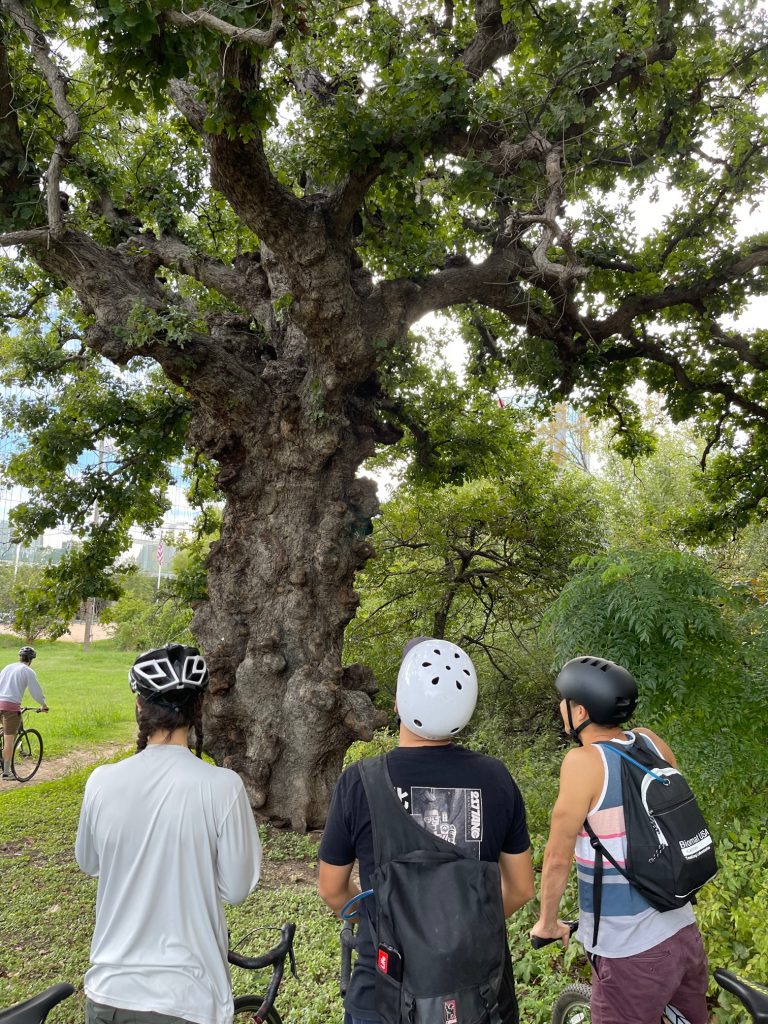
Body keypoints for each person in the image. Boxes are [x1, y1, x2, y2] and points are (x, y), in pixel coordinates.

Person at [318, 638, 534, 1024]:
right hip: (478, 996)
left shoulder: (359, 782)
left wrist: (379, 918)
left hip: (382, 994)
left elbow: (333, 890)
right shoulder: (496, 779)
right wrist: (459, 928)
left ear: (399, 703)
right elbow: (520, 888)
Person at [75, 643, 262, 1024]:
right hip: (188, 1000)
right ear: (198, 710)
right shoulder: (222, 787)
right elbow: (237, 888)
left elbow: (88, 861)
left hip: (108, 995)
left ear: (139, 707)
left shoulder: (101, 782)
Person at [530, 656, 708, 1024]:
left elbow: (558, 857)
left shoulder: (583, 762)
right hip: (683, 932)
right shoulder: (649, 742)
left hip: (631, 953)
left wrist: (547, 923)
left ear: (579, 711)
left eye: (562, 702)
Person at [0, 646, 48, 779]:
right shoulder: (27, 671)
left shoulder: (7, 667)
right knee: (9, 739)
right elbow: (36, 691)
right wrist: (43, 705)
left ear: (19, 657)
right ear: (31, 660)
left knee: (4, 732)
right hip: (10, 708)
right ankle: (7, 772)